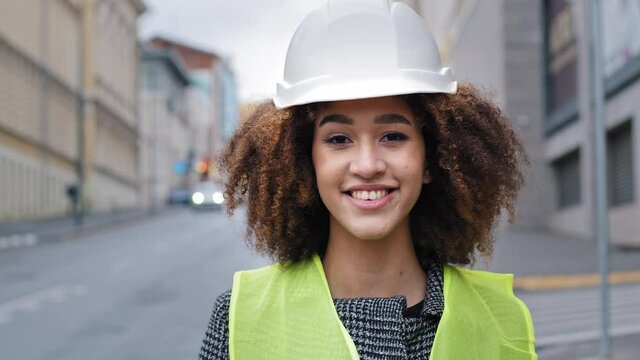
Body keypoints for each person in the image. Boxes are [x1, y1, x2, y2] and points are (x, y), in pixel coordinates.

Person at [199, 0, 537, 359]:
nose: (367, 164)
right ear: (305, 162)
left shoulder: (502, 318)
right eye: (338, 139)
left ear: (431, 158)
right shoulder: (239, 321)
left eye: (393, 136)